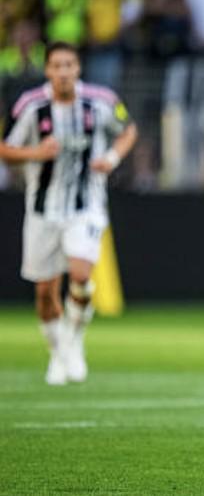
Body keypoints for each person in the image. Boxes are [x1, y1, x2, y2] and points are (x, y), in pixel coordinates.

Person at [0, 41, 138, 385]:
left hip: (86, 204)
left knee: (80, 273)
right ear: (47, 70)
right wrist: (36, 153)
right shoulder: (30, 105)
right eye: (57, 66)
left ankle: (74, 340)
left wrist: (112, 159)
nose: (63, 72)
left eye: (69, 65)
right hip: (42, 209)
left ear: (78, 68)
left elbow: (128, 130)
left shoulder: (102, 101)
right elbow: (5, 148)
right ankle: (58, 352)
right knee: (45, 294)